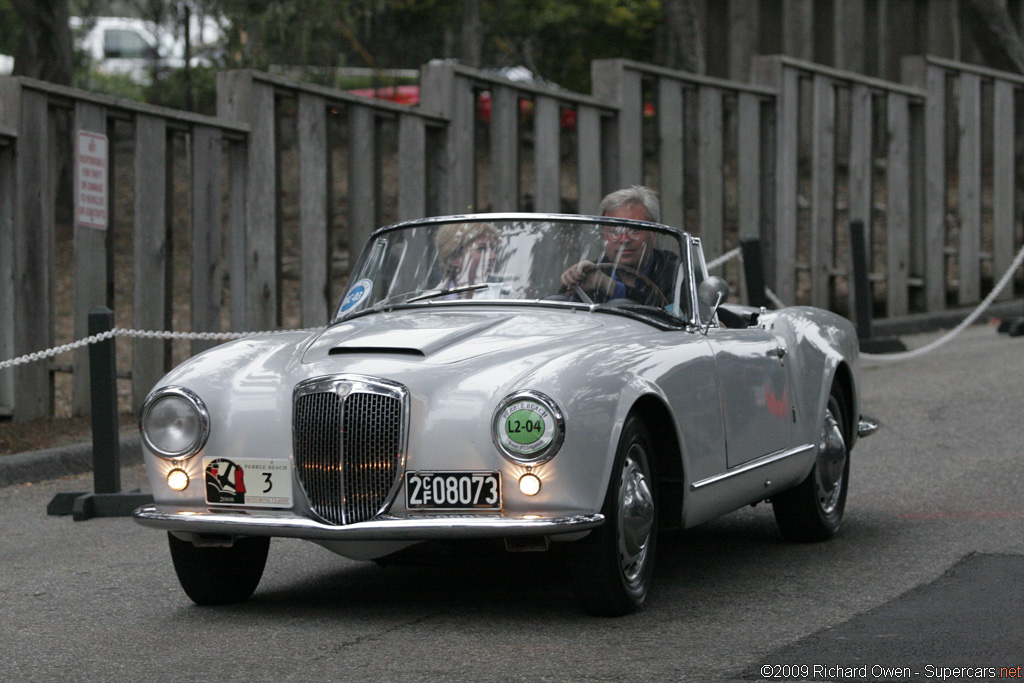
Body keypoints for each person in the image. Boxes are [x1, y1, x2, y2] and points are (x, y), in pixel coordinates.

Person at [560, 186, 678, 305]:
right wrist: (572, 283)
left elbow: (676, 317)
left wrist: (611, 287)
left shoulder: (677, 273)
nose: (624, 239)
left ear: (654, 234)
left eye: (634, 230)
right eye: (615, 232)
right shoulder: (593, 274)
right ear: (604, 236)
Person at [434, 221, 499, 298]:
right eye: (481, 249)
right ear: (454, 258)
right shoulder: (426, 304)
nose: (493, 256)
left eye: (493, 248)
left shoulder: (510, 300)